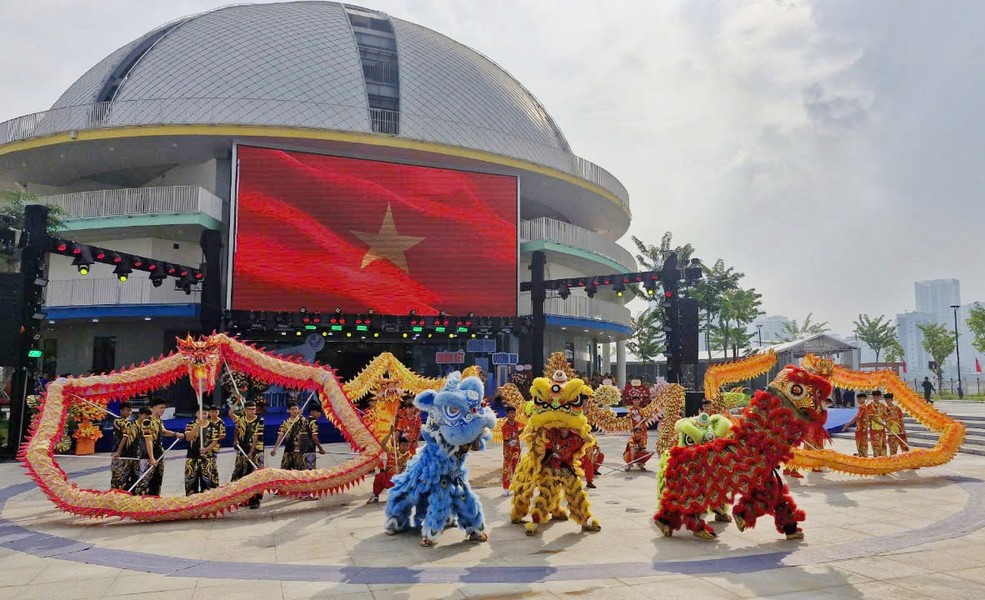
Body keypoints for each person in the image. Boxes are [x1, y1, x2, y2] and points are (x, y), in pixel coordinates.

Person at [134, 399, 184, 496]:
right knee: (145, 482)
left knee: (157, 480)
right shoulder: (147, 423)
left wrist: (175, 434)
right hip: (147, 456)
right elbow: (148, 441)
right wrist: (152, 457)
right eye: (161, 408)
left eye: (164, 408)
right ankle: (142, 504)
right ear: (153, 408)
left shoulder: (159, 421)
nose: (163, 410)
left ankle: (155, 500)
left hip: (159, 455)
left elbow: (163, 431)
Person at [229, 400, 264, 509]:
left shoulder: (259, 420)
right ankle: (244, 499)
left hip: (256, 451)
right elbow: (230, 414)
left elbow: (256, 437)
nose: (253, 411)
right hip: (242, 450)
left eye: (254, 409)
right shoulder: (241, 419)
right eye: (250, 409)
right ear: (245, 410)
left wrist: (251, 452)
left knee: (255, 476)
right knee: (240, 474)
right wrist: (237, 401)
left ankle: (255, 500)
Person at [184, 408, 220, 495]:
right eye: (201, 413)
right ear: (196, 414)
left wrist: (206, 449)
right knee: (191, 483)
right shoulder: (190, 424)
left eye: (205, 413)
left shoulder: (213, 426)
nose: (203, 416)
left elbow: (215, 441)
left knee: (206, 483)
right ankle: (192, 504)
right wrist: (197, 426)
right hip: (192, 457)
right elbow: (188, 438)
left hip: (207, 458)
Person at [367, 435, 412, 504]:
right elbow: (382, 444)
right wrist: (390, 433)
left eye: (407, 445)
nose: (405, 447)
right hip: (389, 479)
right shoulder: (392, 451)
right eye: (403, 445)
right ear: (398, 444)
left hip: (401, 481)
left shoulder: (409, 456)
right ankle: (375, 496)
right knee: (379, 476)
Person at [110, 402, 140, 491]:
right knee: (119, 478)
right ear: (121, 411)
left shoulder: (131, 423)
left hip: (133, 453)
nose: (129, 412)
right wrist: (118, 452)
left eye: (130, 410)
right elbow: (125, 437)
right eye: (127, 410)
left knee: (133, 478)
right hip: (122, 454)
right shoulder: (118, 421)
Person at [270, 402, 303, 470]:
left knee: (299, 472)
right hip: (288, 449)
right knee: (285, 470)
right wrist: (275, 448)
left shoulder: (302, 420)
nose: (294, 411)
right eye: (292, 409)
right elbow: (280, 436)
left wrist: (301, 416)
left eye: (296, 409)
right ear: (288, 410)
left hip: (299, 450)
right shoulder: (285, 423)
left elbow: (306, 426)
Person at [623, 399, 652, 471]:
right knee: (633, 446)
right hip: (635, 429)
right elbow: (628, 418)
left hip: (642, 430)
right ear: (633, 401)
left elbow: (644, 420)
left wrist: (649, 416)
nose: (637, 402)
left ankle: (640, 462)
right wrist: (630, 428)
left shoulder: (641, 410)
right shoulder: (630, 409)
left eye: (638, 400)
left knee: (642, 446)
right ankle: (630, 461)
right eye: (635, 400)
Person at [501, 406, 524, 496]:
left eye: (514, 413)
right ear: (507, 414)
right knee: (507, 469)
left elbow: (517, 433)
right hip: (509, 452)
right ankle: (506, 488)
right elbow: (506, 441)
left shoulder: (516, 423)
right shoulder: (505, 426)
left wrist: (524, 430)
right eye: (511, 413)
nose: (513, 415)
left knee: (517, 468)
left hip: (517, 450)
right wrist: (509, 453)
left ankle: (516, 487)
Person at [841, 393, 871, 457]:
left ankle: (863, 458)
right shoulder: (863, 407)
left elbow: (857, 417)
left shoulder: (863, 408)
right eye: (858, 398)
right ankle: (862, 456)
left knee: (861, 444)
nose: (858, 400)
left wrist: (848, 423)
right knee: (862, 444)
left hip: (861, 429)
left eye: (860, 398)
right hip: (861, 428)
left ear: (864, 399)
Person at [206, 404, 226, 484]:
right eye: (212, 412)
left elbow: (223, 435)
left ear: (218, 412)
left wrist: (213, 439)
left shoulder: (220, 422)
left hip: (214, 446)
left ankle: (214, 482)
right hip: (205, 446)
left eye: (216, 412)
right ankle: (207, 481)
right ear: (209, 412)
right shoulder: (207, 421)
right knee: (206, 464)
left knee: (213, 464)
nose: (214, 413)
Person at [869, 390, 888, 457]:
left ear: (880, 396)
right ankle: (877, 462)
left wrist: (887, 425)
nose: (876, 398)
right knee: (876, 446)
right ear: (873, 397)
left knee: (883, 445)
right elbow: (873, 418)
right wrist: (884, 425)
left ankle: (884, 462)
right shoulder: (870, 406)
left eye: (878, 396)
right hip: (874, 430)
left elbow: (886, 416)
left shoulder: (883, 406)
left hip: (882, 430)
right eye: (875, 396)